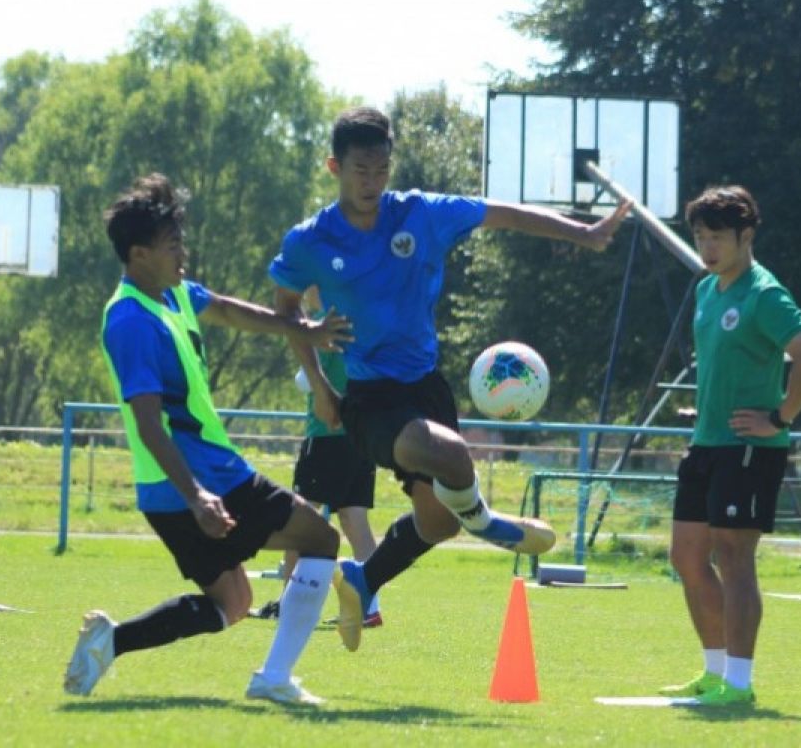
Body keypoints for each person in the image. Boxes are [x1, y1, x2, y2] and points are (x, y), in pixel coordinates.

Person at [269, 106, 631, 650]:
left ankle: (363, 579)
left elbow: (502, 214)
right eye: (360, 171)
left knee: (437, 524)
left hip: (425, 386)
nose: (372, 182)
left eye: (381, 169)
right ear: (333, 167)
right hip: (366, 397)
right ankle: (490, 525)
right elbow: (285, 310)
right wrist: (320, 386)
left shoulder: (420, 214)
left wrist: (582, 232)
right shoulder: (310, 240)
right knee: (456, 458)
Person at [64, 173, 356, 706]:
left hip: (180, 489)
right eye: (172, 244)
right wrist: (197, 495)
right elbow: (149, 423)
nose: (183, 253)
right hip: (203, 481)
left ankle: (112, 641)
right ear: (138, 254)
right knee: (320, 540)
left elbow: (223, 308)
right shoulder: (131, 320)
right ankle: (273, 679)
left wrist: (302, 330)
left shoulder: (170, 294)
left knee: (233, 603)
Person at [661, 185, 801, 706]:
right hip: (706, 444)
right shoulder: (708, 291)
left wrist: (780, 416)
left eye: (718, 238)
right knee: (687, 558)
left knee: (734, 558)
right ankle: (713, 671)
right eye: (701, 237)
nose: (707, 248)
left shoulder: (764, 294)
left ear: (746, 236)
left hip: (750, 449)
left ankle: (739, 682)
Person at [260, 286, 383, 628]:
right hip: (362, 435)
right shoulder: (357, 321)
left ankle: (289, 604)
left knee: (298, 519)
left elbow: (305, 381)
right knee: (355, 522)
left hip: (327, 435)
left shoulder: (320, 325)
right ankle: (370, 606)